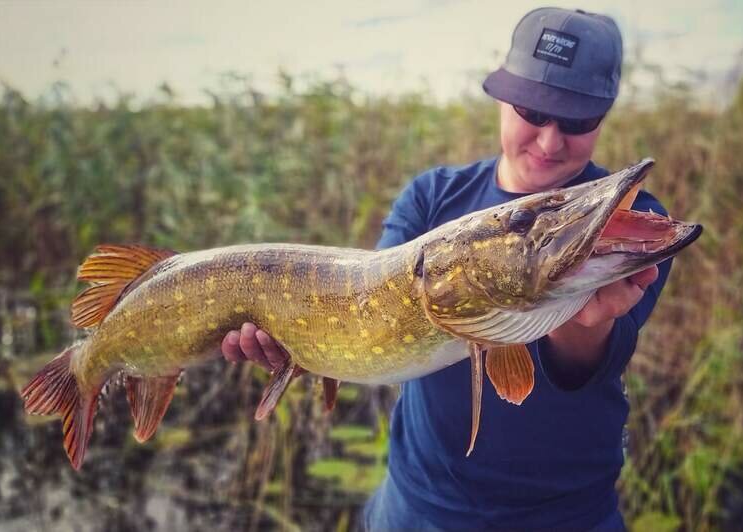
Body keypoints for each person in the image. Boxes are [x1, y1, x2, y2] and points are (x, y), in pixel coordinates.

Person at [222, 8, 672, 531]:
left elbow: (586, 366)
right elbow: (363, 306)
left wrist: (577, 313)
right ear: (505, 98)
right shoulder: (431, 197)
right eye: (533, 110)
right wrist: (301, 345)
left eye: (576, 121)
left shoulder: (631, 223)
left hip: (568, 515)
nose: (550, 141)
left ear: (604, 116)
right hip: (421, 510)